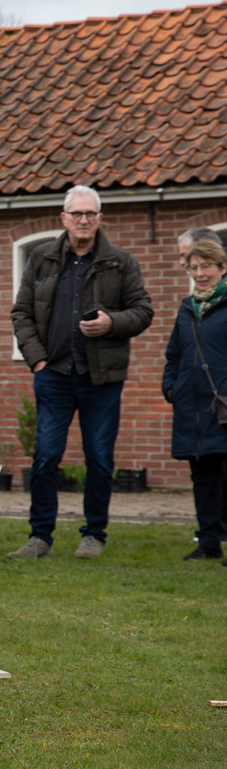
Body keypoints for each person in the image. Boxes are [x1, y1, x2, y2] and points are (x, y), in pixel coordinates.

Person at [9, 185, 153, 560]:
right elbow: (21, 313)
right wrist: (37, 361)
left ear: (100, 218)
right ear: (64, 218)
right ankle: (40, 537)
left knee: (100, 459)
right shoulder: (41, 258)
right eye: (77, 214)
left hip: (101, 379)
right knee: (45, 457)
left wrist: (111, 323)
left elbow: (143, 311)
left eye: (90, 214)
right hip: (53, 374)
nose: (84, 220)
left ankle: (94, 534)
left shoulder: (121, 261)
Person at [162, 238, 227, 565]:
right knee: (203, 477)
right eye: (194, 267)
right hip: (191, 407)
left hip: (223, 406)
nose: (200, 274)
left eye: (206, 267)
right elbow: (174, 354)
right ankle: (209, 541)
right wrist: (171, 387)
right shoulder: (187, 308)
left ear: (222, 268)